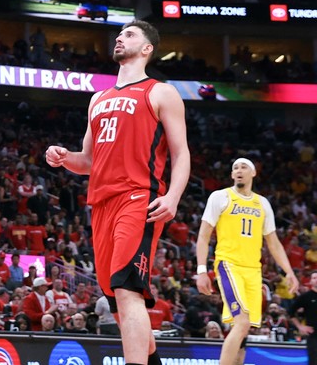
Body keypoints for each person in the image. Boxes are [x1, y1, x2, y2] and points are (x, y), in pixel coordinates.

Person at [46, 21, 190, 365]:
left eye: (129, 34)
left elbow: (181, 152)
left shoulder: (161, 92)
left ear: (147, 48)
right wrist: (64, 157)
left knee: (127, 290)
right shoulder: (98, 99)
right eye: (120, 34)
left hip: (138, 198)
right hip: (101, 203)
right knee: (117, 301)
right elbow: (88, 161)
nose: (120, 38)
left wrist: (173, 197)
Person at [194, 158, 299, 365]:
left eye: (243, 167)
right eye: (235, 168)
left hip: (253, 270)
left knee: (243, 330)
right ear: (232, 175)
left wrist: (289, 272)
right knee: (242, 322)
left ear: (253, 173)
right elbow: (203, 236)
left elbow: (274, 243)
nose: (239, 170)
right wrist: (201, 270)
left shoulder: (262, 203)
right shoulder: (220, 197)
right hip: (229, 264)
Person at [288, 272, 317, 364]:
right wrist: (300, 326)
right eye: (314, 278)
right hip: (314, 335)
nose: (316, 280)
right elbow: (290, 312)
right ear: (310, 281)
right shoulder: (306, 297)